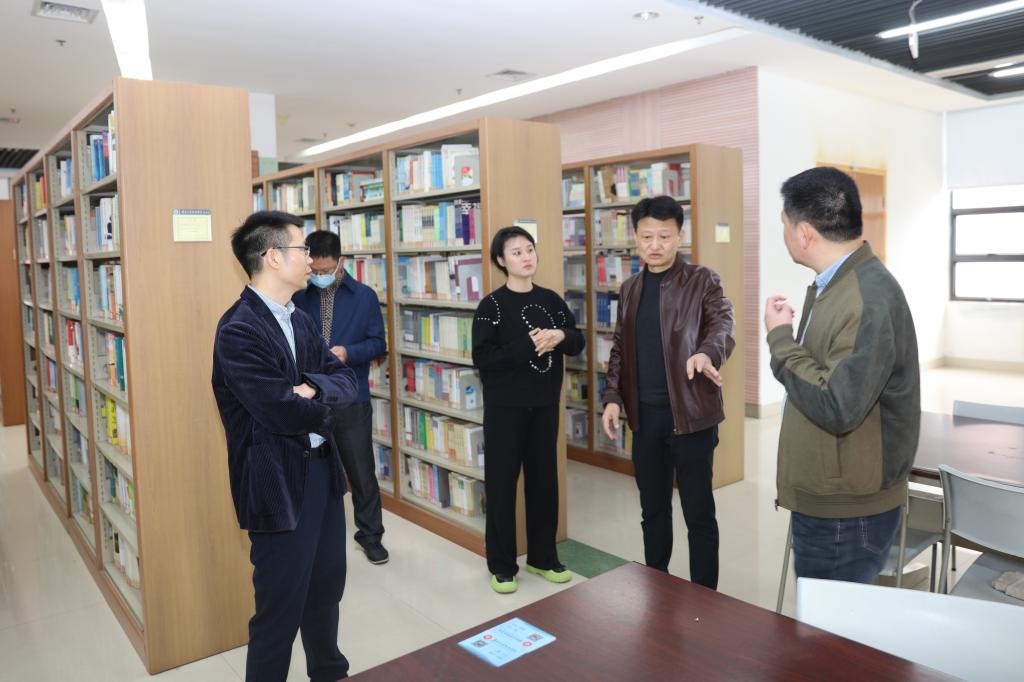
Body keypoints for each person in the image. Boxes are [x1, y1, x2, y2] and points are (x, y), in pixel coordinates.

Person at [212, 211, 358, 682]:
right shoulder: (238, 330)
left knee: (326, 591)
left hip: (322, 474)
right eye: (303, 249)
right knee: (279, 610)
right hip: (276, 485)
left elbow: (347, 382)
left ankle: (329, 674)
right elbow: (278, 412)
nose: (312, 260)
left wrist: (311, 390)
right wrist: (319, 397)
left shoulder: (301, 319)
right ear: (274, 257)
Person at [764, 166, 920, 584]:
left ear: (804, 233)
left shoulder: (867, 296)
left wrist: (779, 339)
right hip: (835, 495)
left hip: (846, 512)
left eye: (784, 224)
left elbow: (836, 404)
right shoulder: (838, 282)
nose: (784, 234)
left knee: (828, 624)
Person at [600, 195, 734, 590]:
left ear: (680, 236)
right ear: (635, 238)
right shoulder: (630, 288)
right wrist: (612, 398)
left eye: (664, 236)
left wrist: (708, 353)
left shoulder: (703, 280)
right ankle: (658, 586)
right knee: (653, 510)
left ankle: (704, 596)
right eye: (647, 237)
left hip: (691, 415)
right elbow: (620, 348)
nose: (655, 245)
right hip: (645, 418)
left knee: (698, 513)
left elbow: (722, 324)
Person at [472, 226, 586, 594]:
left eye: (529, 249)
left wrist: (561, 336)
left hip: (545, 406)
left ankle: (542, 557)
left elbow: (577, 340)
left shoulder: (551, 300)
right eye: (516, 252)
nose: (526, 257)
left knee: (544, 483)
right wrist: (529, 344)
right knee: (502, 486)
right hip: (505, 410)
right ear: (501, 261)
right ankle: (502, 565)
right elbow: (483, 358)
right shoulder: (491, 306)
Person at [294, 230, 389, 565]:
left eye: (327, 270)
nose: (320, 276)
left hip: (351, 396)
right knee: (311, 471)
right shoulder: (298, 296)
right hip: (310, 396)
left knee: (361, 471)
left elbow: (378, 344)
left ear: (341, 262)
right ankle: (315, 535)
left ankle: (371, 536)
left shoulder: (364, 297)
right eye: (315, 270)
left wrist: (349, 352)